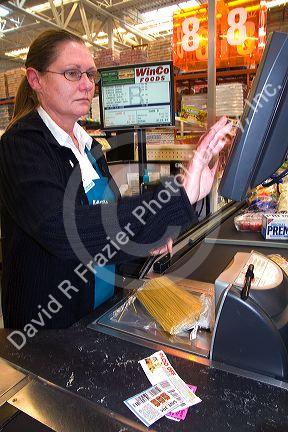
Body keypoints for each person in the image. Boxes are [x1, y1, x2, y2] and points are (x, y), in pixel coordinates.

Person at [0, 30, 232, 330]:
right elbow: (63, 228)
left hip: (100, 313)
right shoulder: (21, 146)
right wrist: (173, 201)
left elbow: (109, 217)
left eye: (90, 74)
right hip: (50, 328)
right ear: (36, 80)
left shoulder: (89, 146)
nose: (87, 85)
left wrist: (147, 237)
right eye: (72, 73)